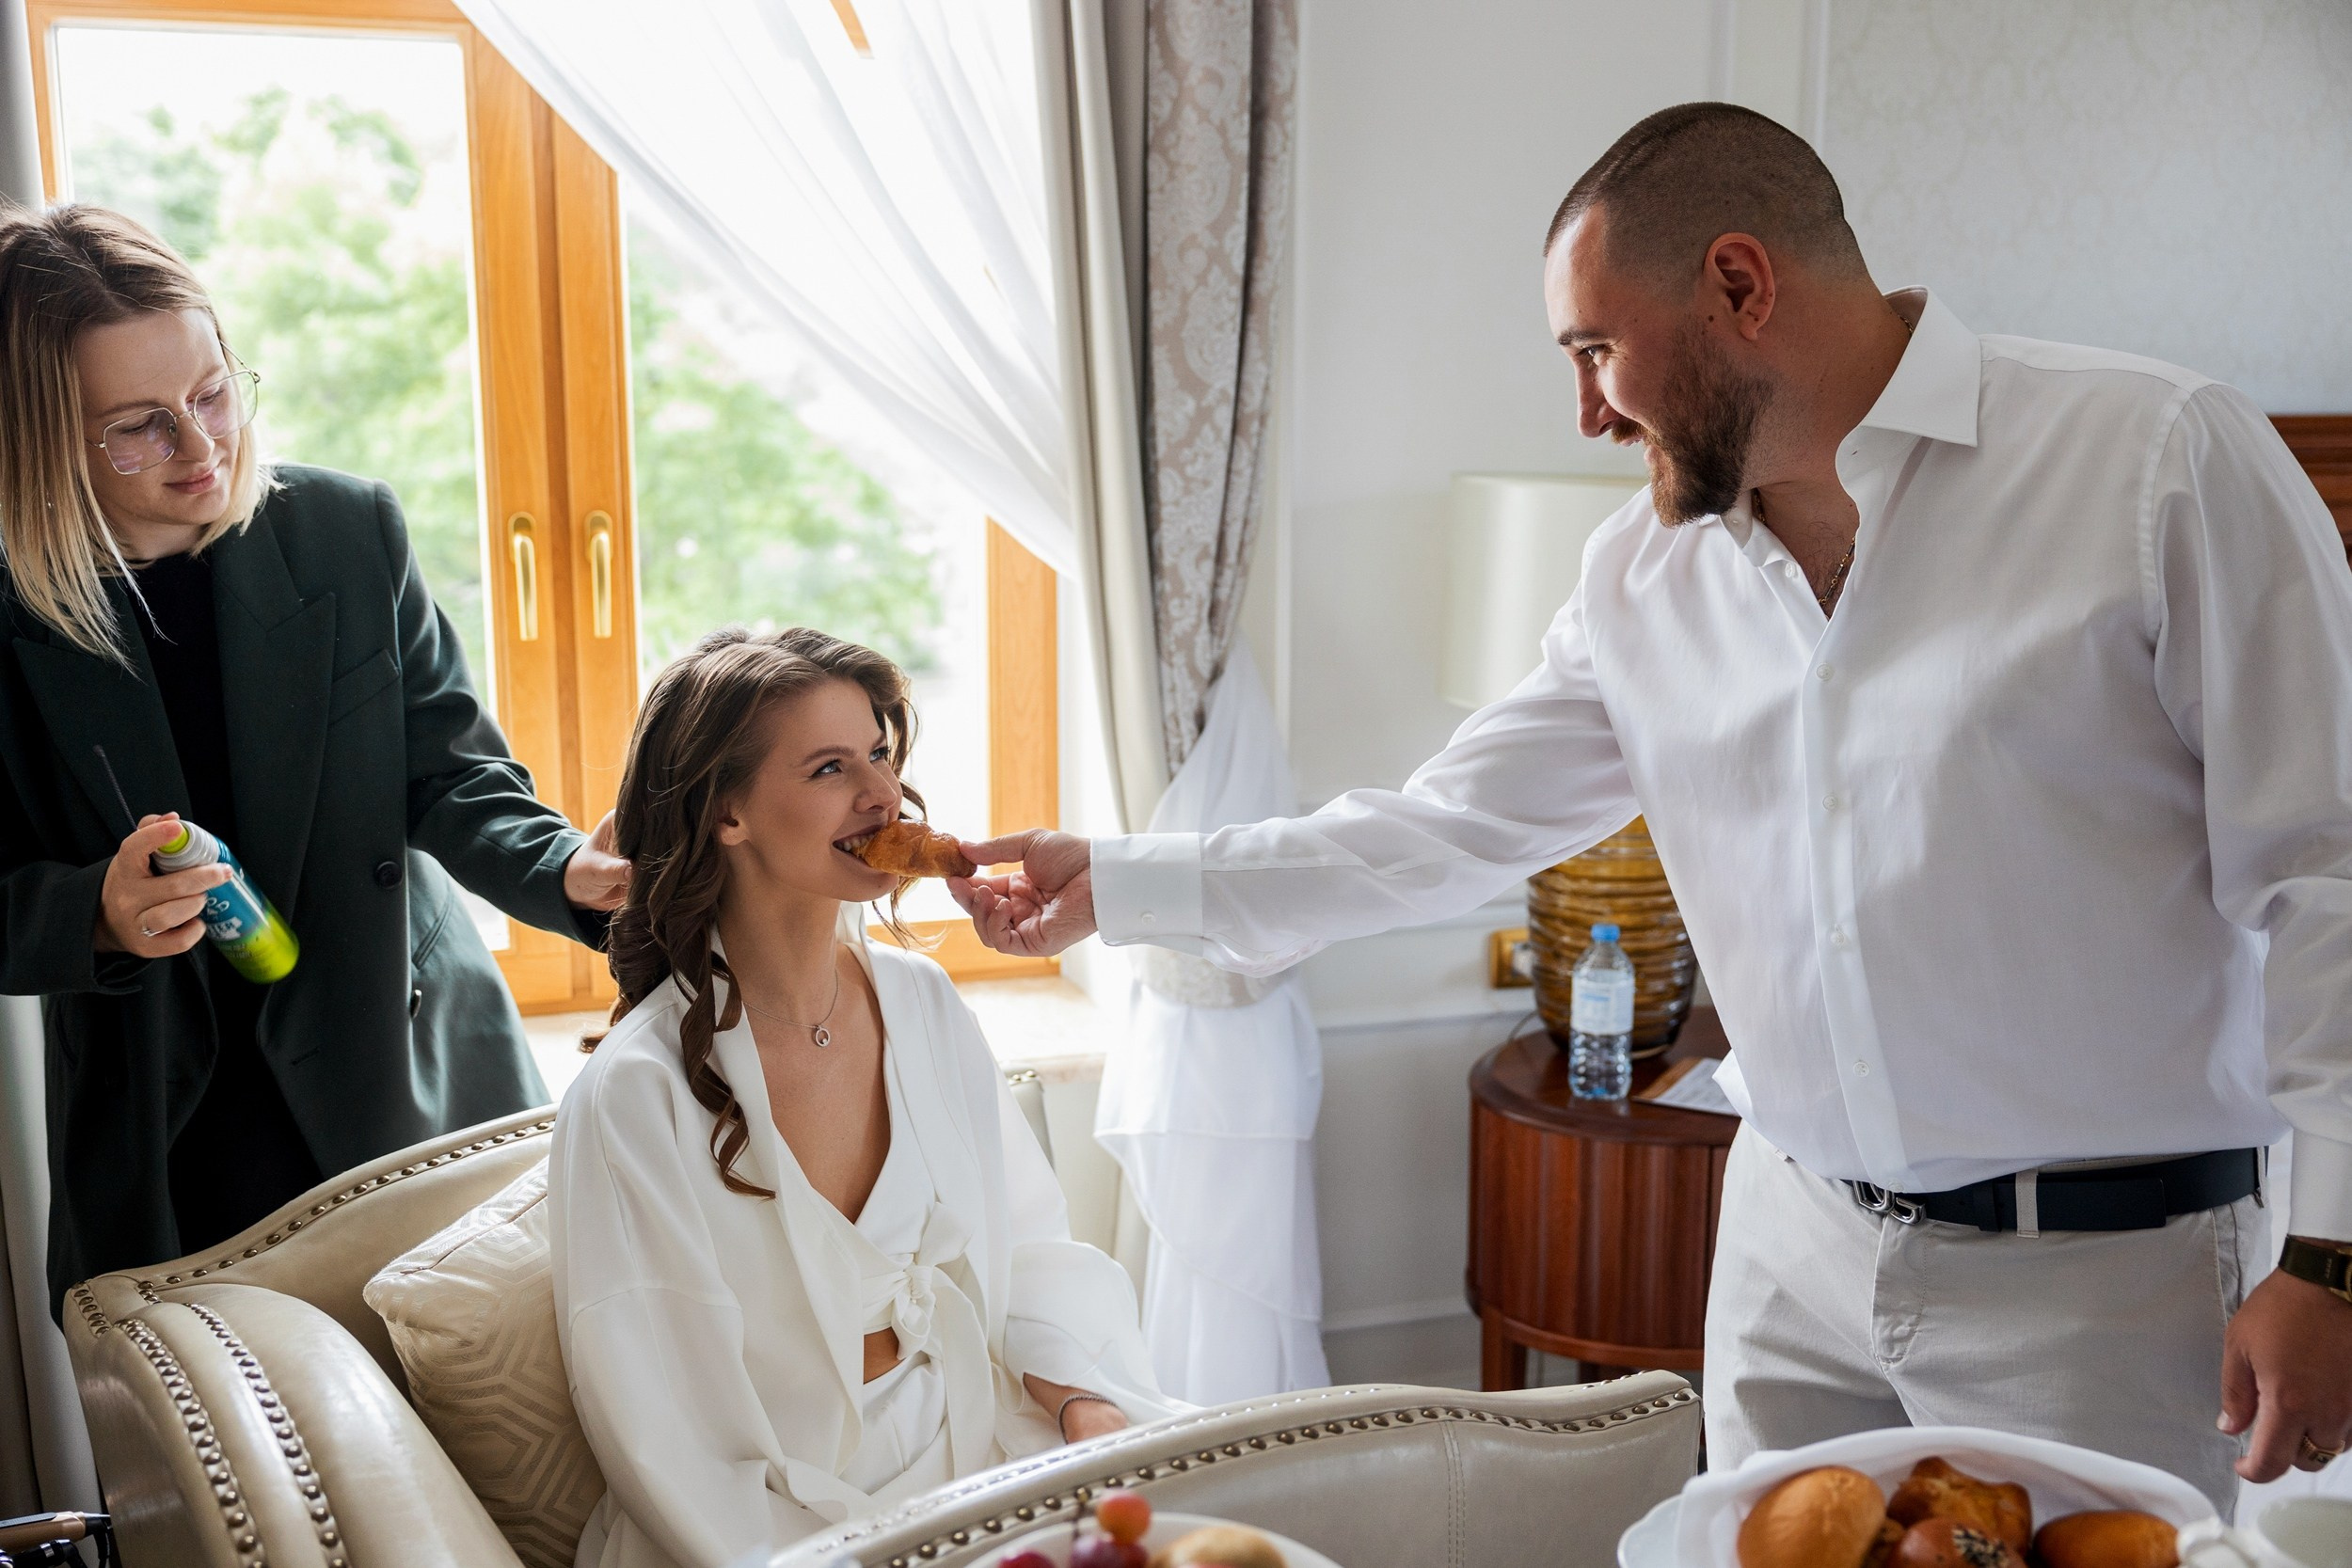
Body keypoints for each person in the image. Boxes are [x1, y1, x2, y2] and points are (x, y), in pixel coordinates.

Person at [949, 103, 2352, 1508]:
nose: (1586, 410)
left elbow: (2330, 868)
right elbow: (1447, 825)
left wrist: (2334, 1258)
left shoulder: (2156, 458)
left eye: (1594, 349)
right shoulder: (1638, 578)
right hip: (1789, 1260)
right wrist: (1118, 881)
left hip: (2105, 1284)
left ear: (1741, 285)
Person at [0, 203, 628, 1310]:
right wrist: (92, 914)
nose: (203, 447)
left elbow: (451, 775)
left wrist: (565, 870)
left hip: (406, 1083)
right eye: (138, 425)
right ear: (38, 437)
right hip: (170, 1138)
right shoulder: (12, 619)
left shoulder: (344, 531)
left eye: (212, 392)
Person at [548, 626, 1177, 1568]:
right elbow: (669, 1436)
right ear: (728, 814)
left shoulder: (920, 1002)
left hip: (982, 1437)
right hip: (775, 1516)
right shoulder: (633, 1097)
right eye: (831, 766)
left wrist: (1080, 1399)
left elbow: (1029, 1240)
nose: (883, 793)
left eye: (879, 752)